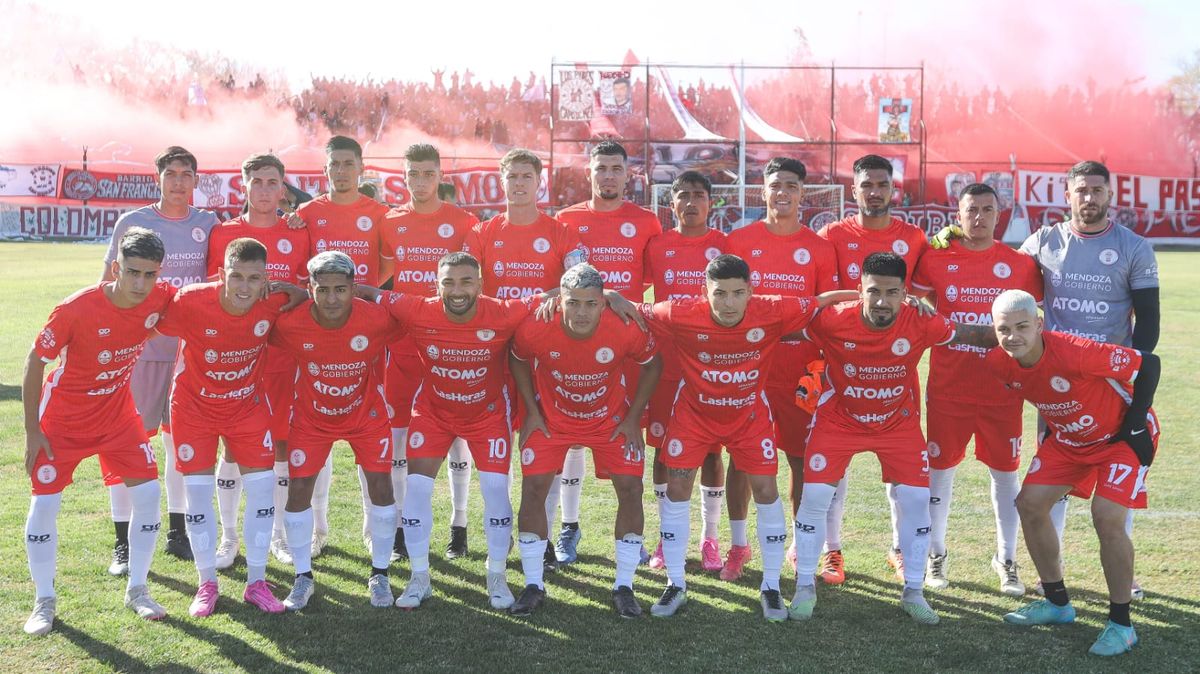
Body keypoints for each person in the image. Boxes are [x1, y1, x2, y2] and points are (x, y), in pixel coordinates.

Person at [789, 252, 999, 625]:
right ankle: (804, 587)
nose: (882, 302)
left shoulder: (920, 320)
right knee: (817, 494)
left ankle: (914, 592)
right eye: (873, 292)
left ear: (905, 293)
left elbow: (972, 335)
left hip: (896, 423)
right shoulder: (834, 319)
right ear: (860, 291)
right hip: (840, 419)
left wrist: (1024, 331)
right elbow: (783, 324)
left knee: (918, 499)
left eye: (892, 293)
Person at [640, 254, 849, 621]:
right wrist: (606, 295)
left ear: (751, 291)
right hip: (693, 416)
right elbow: (634, 308)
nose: (729, 303)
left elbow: (822, 300)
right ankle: (676, 583)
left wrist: (869, 295)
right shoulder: (680, 311)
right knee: (676, 492)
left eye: (738, 293)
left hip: (748, 416)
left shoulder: (771, 309)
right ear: (704, 292)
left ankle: (770, 587)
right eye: (719, 293)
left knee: (766, 491)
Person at [986, 289, 1160, 657]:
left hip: (1120, 437)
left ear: (1039, 324)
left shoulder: (1075, 350)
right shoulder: (999, 364)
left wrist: (1134, 427)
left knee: (1107, 517)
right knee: (1029, 504)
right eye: (1004, 329)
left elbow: (1149, 364)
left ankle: (1121, 624)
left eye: (1022, 326)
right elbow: (1045, 392)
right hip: (1069, 440)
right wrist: (1051, 430)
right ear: (995, 330)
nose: (1013, 336)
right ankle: (1057, 603)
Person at [1017, 160, 1160, 600]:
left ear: (1110, 195)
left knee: (1116, 486)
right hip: (1057, 387)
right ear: (1067, 194)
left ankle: (1124, 577)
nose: (1089, 198)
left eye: (1097, 190)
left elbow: (1149, 324)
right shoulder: (1044, 241)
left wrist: (1131, 376)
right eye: (1081, 190)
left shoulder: (1134, 247)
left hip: (1111, 385)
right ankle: (1052, 580)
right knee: (1047, 485)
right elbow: (1003, 281)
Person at [23, 227, 174, 635]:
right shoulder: (75, 308)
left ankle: (138, 589)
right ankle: (44, 601)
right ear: (115, 268)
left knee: (147, 496)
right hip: (63, 423)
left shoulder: (160, 298)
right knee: (45, 505)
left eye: (150, 274)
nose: (141, 283)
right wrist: (33, 432)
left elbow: (197, 304)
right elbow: (36, 361)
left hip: (118, 417)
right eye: (132, 272)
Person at [909, 182, 1043, 595]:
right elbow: (916, 307)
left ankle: (1006, 558)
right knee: (940, 472)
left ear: (999, 214)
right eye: (972, 210)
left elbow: (1034, 320)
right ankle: (936, 554)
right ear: (958, 214)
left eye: (988, 209)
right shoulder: (935, 257)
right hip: (949, 388)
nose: (980, 218)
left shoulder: (1018, 264)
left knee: (1005, 475)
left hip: (1003, 389)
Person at [508, 264, 662, 617]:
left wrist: (632, 418)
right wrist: (532, 411)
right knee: (533, 490)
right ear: (558, 301)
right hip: (552, 421)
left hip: (609, 422)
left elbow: (654, 364)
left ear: (603, 303)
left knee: (631, 488)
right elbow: (517, 357)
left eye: (590, 304)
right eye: (573, 302)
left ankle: (624, 585)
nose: (581, 312)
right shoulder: (537, 324)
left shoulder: (623, 326)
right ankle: (533, 583)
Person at [462, 147, 587, 571]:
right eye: (511, 176)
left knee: (546, 441)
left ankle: (545, 535)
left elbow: (579, 284)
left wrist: (544, 300)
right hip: (494, 352)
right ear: (502, 181)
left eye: (526, 177)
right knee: (494, 441)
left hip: (545, 354)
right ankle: (489, 531)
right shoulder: (482, 233)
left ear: (539, 182)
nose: (518, 183)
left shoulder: (562, 232)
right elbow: (467, 290)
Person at [155, 238, 288, 616]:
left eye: (254, 278)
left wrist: (289, 288)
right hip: (193, 409)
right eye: (236, 276)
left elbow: (300, 298)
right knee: (197, 495)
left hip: (246, 408)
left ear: (265, 280)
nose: (244, 287)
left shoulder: (272, 303)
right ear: (221, 274)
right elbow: (146, 321)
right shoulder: (191, 301)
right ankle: (206, 582)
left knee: (263, 493)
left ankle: (257, 583)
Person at [102, 146, 219, 569]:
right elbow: (106, 285)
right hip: (139, 353)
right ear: (158, 178)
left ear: (196, 181)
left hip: (189, 354)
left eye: (187, 174)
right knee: (127, 445)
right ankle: (123, 540)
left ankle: (178, 530)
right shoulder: (132, 223)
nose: (179, 181)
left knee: (179, 445)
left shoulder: (208, 224)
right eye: (171, 173)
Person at [723, 157, 839, 581]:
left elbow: (828, 311)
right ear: (763, 192)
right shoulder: (740, 241)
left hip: (800, 365)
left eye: (792, 185)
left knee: (800, 458)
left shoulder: (820, 248)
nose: (783, 193)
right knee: (742, 457)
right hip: (751, 364)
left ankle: (800, 543)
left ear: (802, 193)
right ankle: (739, 545)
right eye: (776, 186)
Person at [816, 154, 929, 583]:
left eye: (883, 184)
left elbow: (922, 299)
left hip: (896, 371)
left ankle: (899, 549)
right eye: (867, 185)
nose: (875, 192)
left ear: (892, 188)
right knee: (834, 464)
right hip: (841, 368)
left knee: (899, 468)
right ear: (854, 190)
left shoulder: (915, 238)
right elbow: (822, 298)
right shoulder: (832, 235)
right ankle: (831, 551)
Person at [269, 251, 402, 611]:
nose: (331, 299)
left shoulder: (376, 318)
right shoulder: (291, 322)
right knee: (298, 490)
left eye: (341, 289)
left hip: (367, 416)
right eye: (322, 289)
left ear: (353, 288)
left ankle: (380, 573)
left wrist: (374, 293)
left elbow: (413, 316)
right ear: (309, 288)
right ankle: (302, 577)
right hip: (312, 419)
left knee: (381, 486)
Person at [550, 140, 660, 566]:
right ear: (589, 173)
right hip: (575, 341)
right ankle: (569, 527)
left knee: (628, 436)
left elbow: (647, 282)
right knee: (572, 435)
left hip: (626, 348)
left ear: (627, 173)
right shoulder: (567, 219)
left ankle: (634, 535)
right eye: (602, 168)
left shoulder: (646, 221)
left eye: (616, 168)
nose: (609, 175)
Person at [205, 153, 311, 570]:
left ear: (282, 188)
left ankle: (279, 537)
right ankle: (229, 539)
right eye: (258, 182)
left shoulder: (299, 232)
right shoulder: (223, 233)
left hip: (284, 357)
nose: (265, 190)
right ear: (243, 185)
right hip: (237, 358)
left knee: (282, 444)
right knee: (232, 448)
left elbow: (307, 292)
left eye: (273, 183)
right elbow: (212, 293)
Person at [376, 143, 478, 563]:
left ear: (440, 175)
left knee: (456, 437)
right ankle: (400, 528)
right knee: (399, 437)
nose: (420, 181)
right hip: (403, 346)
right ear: (404, 176)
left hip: (451, 346)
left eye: (427, 173)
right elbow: (382, 275)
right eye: (412, 173)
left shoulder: (463, 222)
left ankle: (459, 524)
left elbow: (474, 284)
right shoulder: (389, 221)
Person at [295, 136, 393, 558]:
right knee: (320, 427)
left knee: (366, 428)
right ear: (325, 169)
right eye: (334, 163)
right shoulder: (306, 214)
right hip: (320, 333)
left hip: (364, 333)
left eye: (348, 163)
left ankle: (373, 530)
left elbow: (389, 264)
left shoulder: (381, 214)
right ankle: (317, 529)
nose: (341, 170)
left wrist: (367, 294)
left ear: (361, 167)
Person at [642, 170, 730, 573]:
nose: (691, 202)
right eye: (683, 196)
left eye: (699, 195)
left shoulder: (725, 248)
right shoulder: (657, 246)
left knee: (712, 451)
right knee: (662, 450)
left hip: (711, 365)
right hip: (667, 363)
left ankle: (710, 538)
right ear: (671, 203)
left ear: (710, 202)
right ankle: (667, 536)